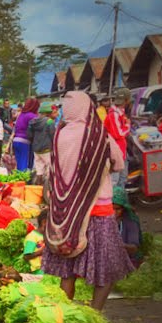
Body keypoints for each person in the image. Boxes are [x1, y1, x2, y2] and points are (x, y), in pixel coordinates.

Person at [42, 91, 132, 311]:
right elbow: (119, 163)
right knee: (105, 269)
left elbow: (53, 171)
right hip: (99, 211)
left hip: (67, 214)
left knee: (68, 270)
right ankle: (95, 313)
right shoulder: (99, 135)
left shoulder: (59, 135)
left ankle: (66, 314)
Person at [106, 88, 132, 185]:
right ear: (126, 100)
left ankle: (120, 198)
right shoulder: (114, 115)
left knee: (123, 177)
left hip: (121, 150)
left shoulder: (119, 113)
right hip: (116, 151)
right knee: (115, 180)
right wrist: (128, 125)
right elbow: (118, 134)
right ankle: (115, 199)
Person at [113, 187, 142, 266]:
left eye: (117, 209)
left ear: (124, 208)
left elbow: (134, 248)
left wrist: (117, 245)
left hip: (128, 259)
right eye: (111, 209)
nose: (114, 212)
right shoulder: (103, 221)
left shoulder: (130, 222)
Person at [28, 102, 56, 179]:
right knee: (49, 171)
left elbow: (29, 135)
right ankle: (47, 189)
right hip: (46, 149)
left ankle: (38, 189)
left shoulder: (33, 121)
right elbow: (53, 135)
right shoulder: (49, 121)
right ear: (49, 113)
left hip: (36, 149)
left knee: (39, 171)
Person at [12, 98, 39, 171]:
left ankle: (18, 180)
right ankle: (22, 181)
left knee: (19, 164)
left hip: (16, 141)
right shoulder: (32, 116)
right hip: (24, 142)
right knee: (23, 165)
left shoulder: (21, 114)